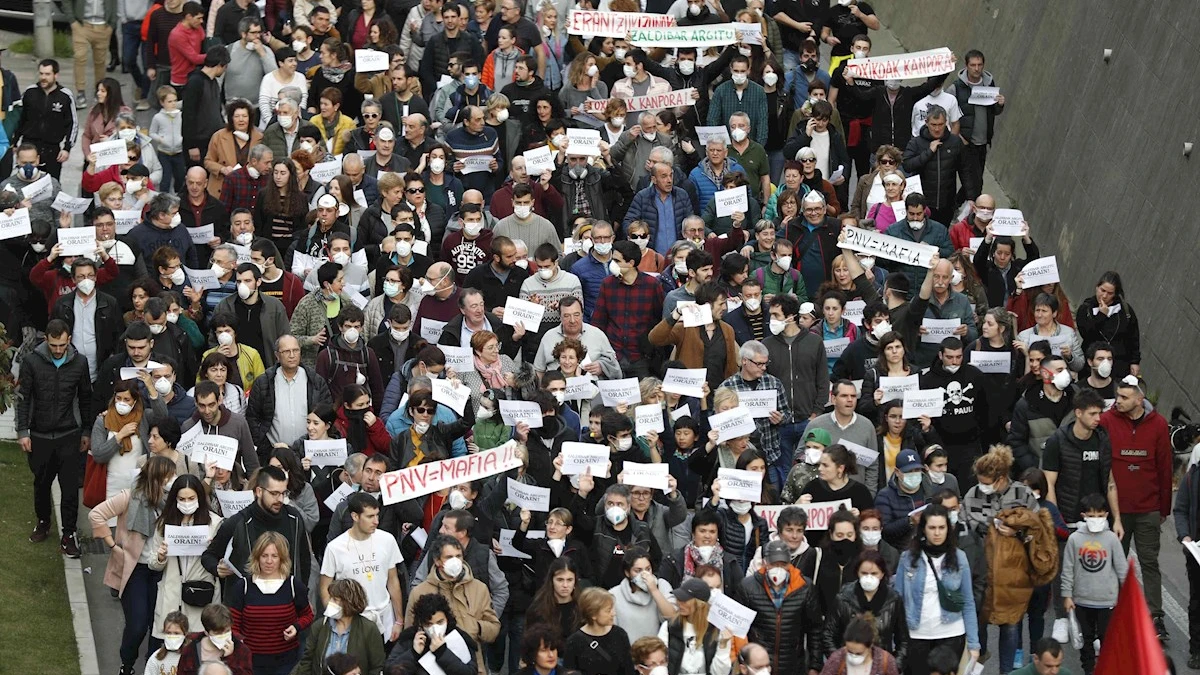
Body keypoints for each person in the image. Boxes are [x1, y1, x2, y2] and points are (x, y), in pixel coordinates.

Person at [89, 454, 176, 674]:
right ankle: (126, 664)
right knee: (137, 625)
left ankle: (152, 666)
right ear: (158, 477)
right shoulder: (130, 497)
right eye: (169, 476)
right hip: (135, 570)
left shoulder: (172, 504)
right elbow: (96, 515)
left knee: (157, 625)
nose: (173, 480)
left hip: (162, 570)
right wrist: (113, 546)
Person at [1101, 375, 1172, 639]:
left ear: (1140, 400)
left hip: (1147, 509)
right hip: (1116, 510)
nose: (1117, 401)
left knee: (1149, 563)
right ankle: (1117, 614)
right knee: (1114, 565)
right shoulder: (1107, 421)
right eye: (1117, 396)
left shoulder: (1159, 425)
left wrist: (1163, 508)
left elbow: (1165, 468)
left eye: (1124, 397)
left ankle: (1155, 617)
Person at [17, 320, 92, 555]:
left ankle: (69, 534)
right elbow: (23, 398)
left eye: (61, 345)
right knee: (41, 483)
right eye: (53, 345)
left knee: (70, 488)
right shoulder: (31, 362)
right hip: (39, 435)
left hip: (69, 434)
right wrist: (22, 432)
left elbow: (86, 398)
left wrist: (87, 431)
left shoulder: (80, 363)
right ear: (45, 340)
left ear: (69, 340)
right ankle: (43, 521)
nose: (58, 349)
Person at [201, 466, 313, 603]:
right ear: (259, 491)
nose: (280, 499)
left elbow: (304, 560)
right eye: (274, 493)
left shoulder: (293, 518)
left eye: (283, 493)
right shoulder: (237, 522)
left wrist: (301, 593)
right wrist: (217, 568)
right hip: (249, 607)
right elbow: (208, 556)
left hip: (287, 604)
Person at [893, 505, 979, 674]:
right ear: (923, 530)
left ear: (948, 529)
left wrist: (974, 644)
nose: (937, 533)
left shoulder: (959, 557)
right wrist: (896, 640)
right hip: (916, 634)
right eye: (932, 528)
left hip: (951, 633)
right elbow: (898, 600)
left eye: (942, 527)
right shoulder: (907, 558)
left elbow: (968, 601)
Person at [146, 475, 222, 645]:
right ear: (174, 499)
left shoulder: (214, 523)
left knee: (199, 650)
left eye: (191, 498)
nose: (186, 503)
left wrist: (214, 551)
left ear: (199, 498)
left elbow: (221, 563)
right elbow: (153, 564)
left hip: (202, 595)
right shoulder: (164, 524)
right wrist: (161, 556)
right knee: (171, 649)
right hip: (172, 596)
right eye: (182, 499)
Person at [227, 532, 316, 675]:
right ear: (257, 557)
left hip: (287, 662)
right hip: (250, 663)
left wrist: (296, 627)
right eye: (264, 555)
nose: (269, 561)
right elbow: (234, 624)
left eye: (274, 556)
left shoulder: (293, 585)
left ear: (282, 558)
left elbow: (308, 614)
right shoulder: (243, 587)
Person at [321, 493, 405, 641]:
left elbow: (393, 581)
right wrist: (338, 618)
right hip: (352, 620)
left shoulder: (387, 540)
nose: (376, 521)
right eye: (370, 516)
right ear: (355, 516)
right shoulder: (335, 547)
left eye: (377, 515)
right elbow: (325, 587)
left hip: (384, 617)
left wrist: (399, 620)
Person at [1061, 492, 1126, 675]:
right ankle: (1088, 669)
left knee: (1107, 638)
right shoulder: (1075, 539)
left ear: (1106, 515)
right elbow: (1067, 569)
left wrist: (1127, 596)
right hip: (1082, 599)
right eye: (1091, 516)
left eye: (1099, 515)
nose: (1095, 519)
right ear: (1083, 516)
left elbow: (1122, 569)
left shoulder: (1111, 539)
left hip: (1107, 600)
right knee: (1085, 639)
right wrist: (1067, 595)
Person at [739, 540, 823, 674]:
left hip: (793, 665)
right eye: (774, 564)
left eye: (783, 564)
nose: (778, 569)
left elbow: (815, 629)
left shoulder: (804, 588)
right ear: (765, 562)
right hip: (758, 665)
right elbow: (739, 630)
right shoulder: (748, 587)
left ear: (789, 564)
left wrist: (815, 666)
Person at [406, 535, 501, 653]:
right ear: (437, 561)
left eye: (458, 556)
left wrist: (476, 627)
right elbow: (408, 634)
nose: (455, 561)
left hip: (471, 662)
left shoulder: (479, 588)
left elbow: (494, 628)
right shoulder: (420, 592)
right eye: (449, 557)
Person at [1042, 389, 1122, 528]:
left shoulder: (1102, 439)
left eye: (1099, 413)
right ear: (1078, 413)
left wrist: (1117, 520)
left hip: (1098, 517)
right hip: (1069, 518)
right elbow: (1049, 484)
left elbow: (1110, 483)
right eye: (1092, 414)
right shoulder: (1057, 441)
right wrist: (1056, 521)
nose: (1098, 418)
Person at [245, 335, 333, 459]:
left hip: (308, 453)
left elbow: (327, 413)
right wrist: (263, 444)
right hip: (273, 453)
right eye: (286, 351)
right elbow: (253, 417)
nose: (292, 355)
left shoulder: (315, 381)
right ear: (277, 355)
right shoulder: (264, 382)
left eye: (296, 350)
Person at [294, 578, 387, 675]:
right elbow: (307, 661)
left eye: (335, 599)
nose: (330, 602)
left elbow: (377, 666)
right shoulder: (319, 626)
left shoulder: (369, 629)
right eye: (330, 598)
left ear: (348, 603)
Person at [1006, 353, 1077, 472]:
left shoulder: (1076, 398)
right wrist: (1034, 467)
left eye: (1066, 370)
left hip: (1072, 470)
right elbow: (1016, 442)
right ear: (1045, 373)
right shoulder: (1027, 404)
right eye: (1060, 370)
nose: (1065, 374)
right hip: (1041, 472)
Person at [387, 593, 481, 675]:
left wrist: (442, 652)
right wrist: (413, 653)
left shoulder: (459, 637)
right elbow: (390, 671)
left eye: (440, 622)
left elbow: (470, 672)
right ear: (421, 624)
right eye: (429, 624)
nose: (435, 628)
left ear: (447, 619)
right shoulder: (409, 638)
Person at [901, 105, 963, 225]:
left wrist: (970, 196)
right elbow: (907, 165)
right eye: (933, 125)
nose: (937, 129)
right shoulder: (916, 142)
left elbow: (965, 170)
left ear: (946, 123)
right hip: (923, 204)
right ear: (926, 123)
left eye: (940, 124)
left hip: (947, 202)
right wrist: (929, 152)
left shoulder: (955, 142)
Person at [14, 60, 76, 179]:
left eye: (47, 74)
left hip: (52, 150)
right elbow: (20, 119)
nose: (43, 77)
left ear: (55, 75)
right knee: (25, 184)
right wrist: (15, 141)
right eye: (41, 73)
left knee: (51, 186)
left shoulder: (65, 96)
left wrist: (67, 148)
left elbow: (73, 124)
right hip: (29, 146)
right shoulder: (30, 92)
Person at [1074, 271, 1141, 380]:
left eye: (1110, 293)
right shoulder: (1086, 309)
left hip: (1119, 365)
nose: (1104, 296)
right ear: (1097, 287)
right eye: (1102, 290)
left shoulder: (1124, 310)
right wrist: (1101, 316)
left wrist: (1135, 361)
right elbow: (1087, 334)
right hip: (1092, 365)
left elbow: (1133, 337)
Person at [609, 546, 678, 641]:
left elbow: (672, 617)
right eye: (638, 571)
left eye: (648, 569)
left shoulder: (662, 585)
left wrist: (654, 590)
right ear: (627, 573)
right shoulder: (614, 594)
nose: (644, 574)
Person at [562, 587, 636, 675]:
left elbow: (629, 670)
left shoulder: (620, 634)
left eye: (612, 609)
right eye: (608, 611)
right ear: (593, 614)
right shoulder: (574, 642)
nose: (613, 614)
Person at [175, 603, 255, 675]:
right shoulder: (190, 650)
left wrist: (230, 659)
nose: (223, 635)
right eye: (218, 633)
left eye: (227, 631)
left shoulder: (241, 650)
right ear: (206, 632)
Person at [819, 616, 900, 675]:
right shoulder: (836, 659)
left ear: (870, 645)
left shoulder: (886, 662)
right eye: (849, 652)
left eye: (859, 653)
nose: (853, 656)